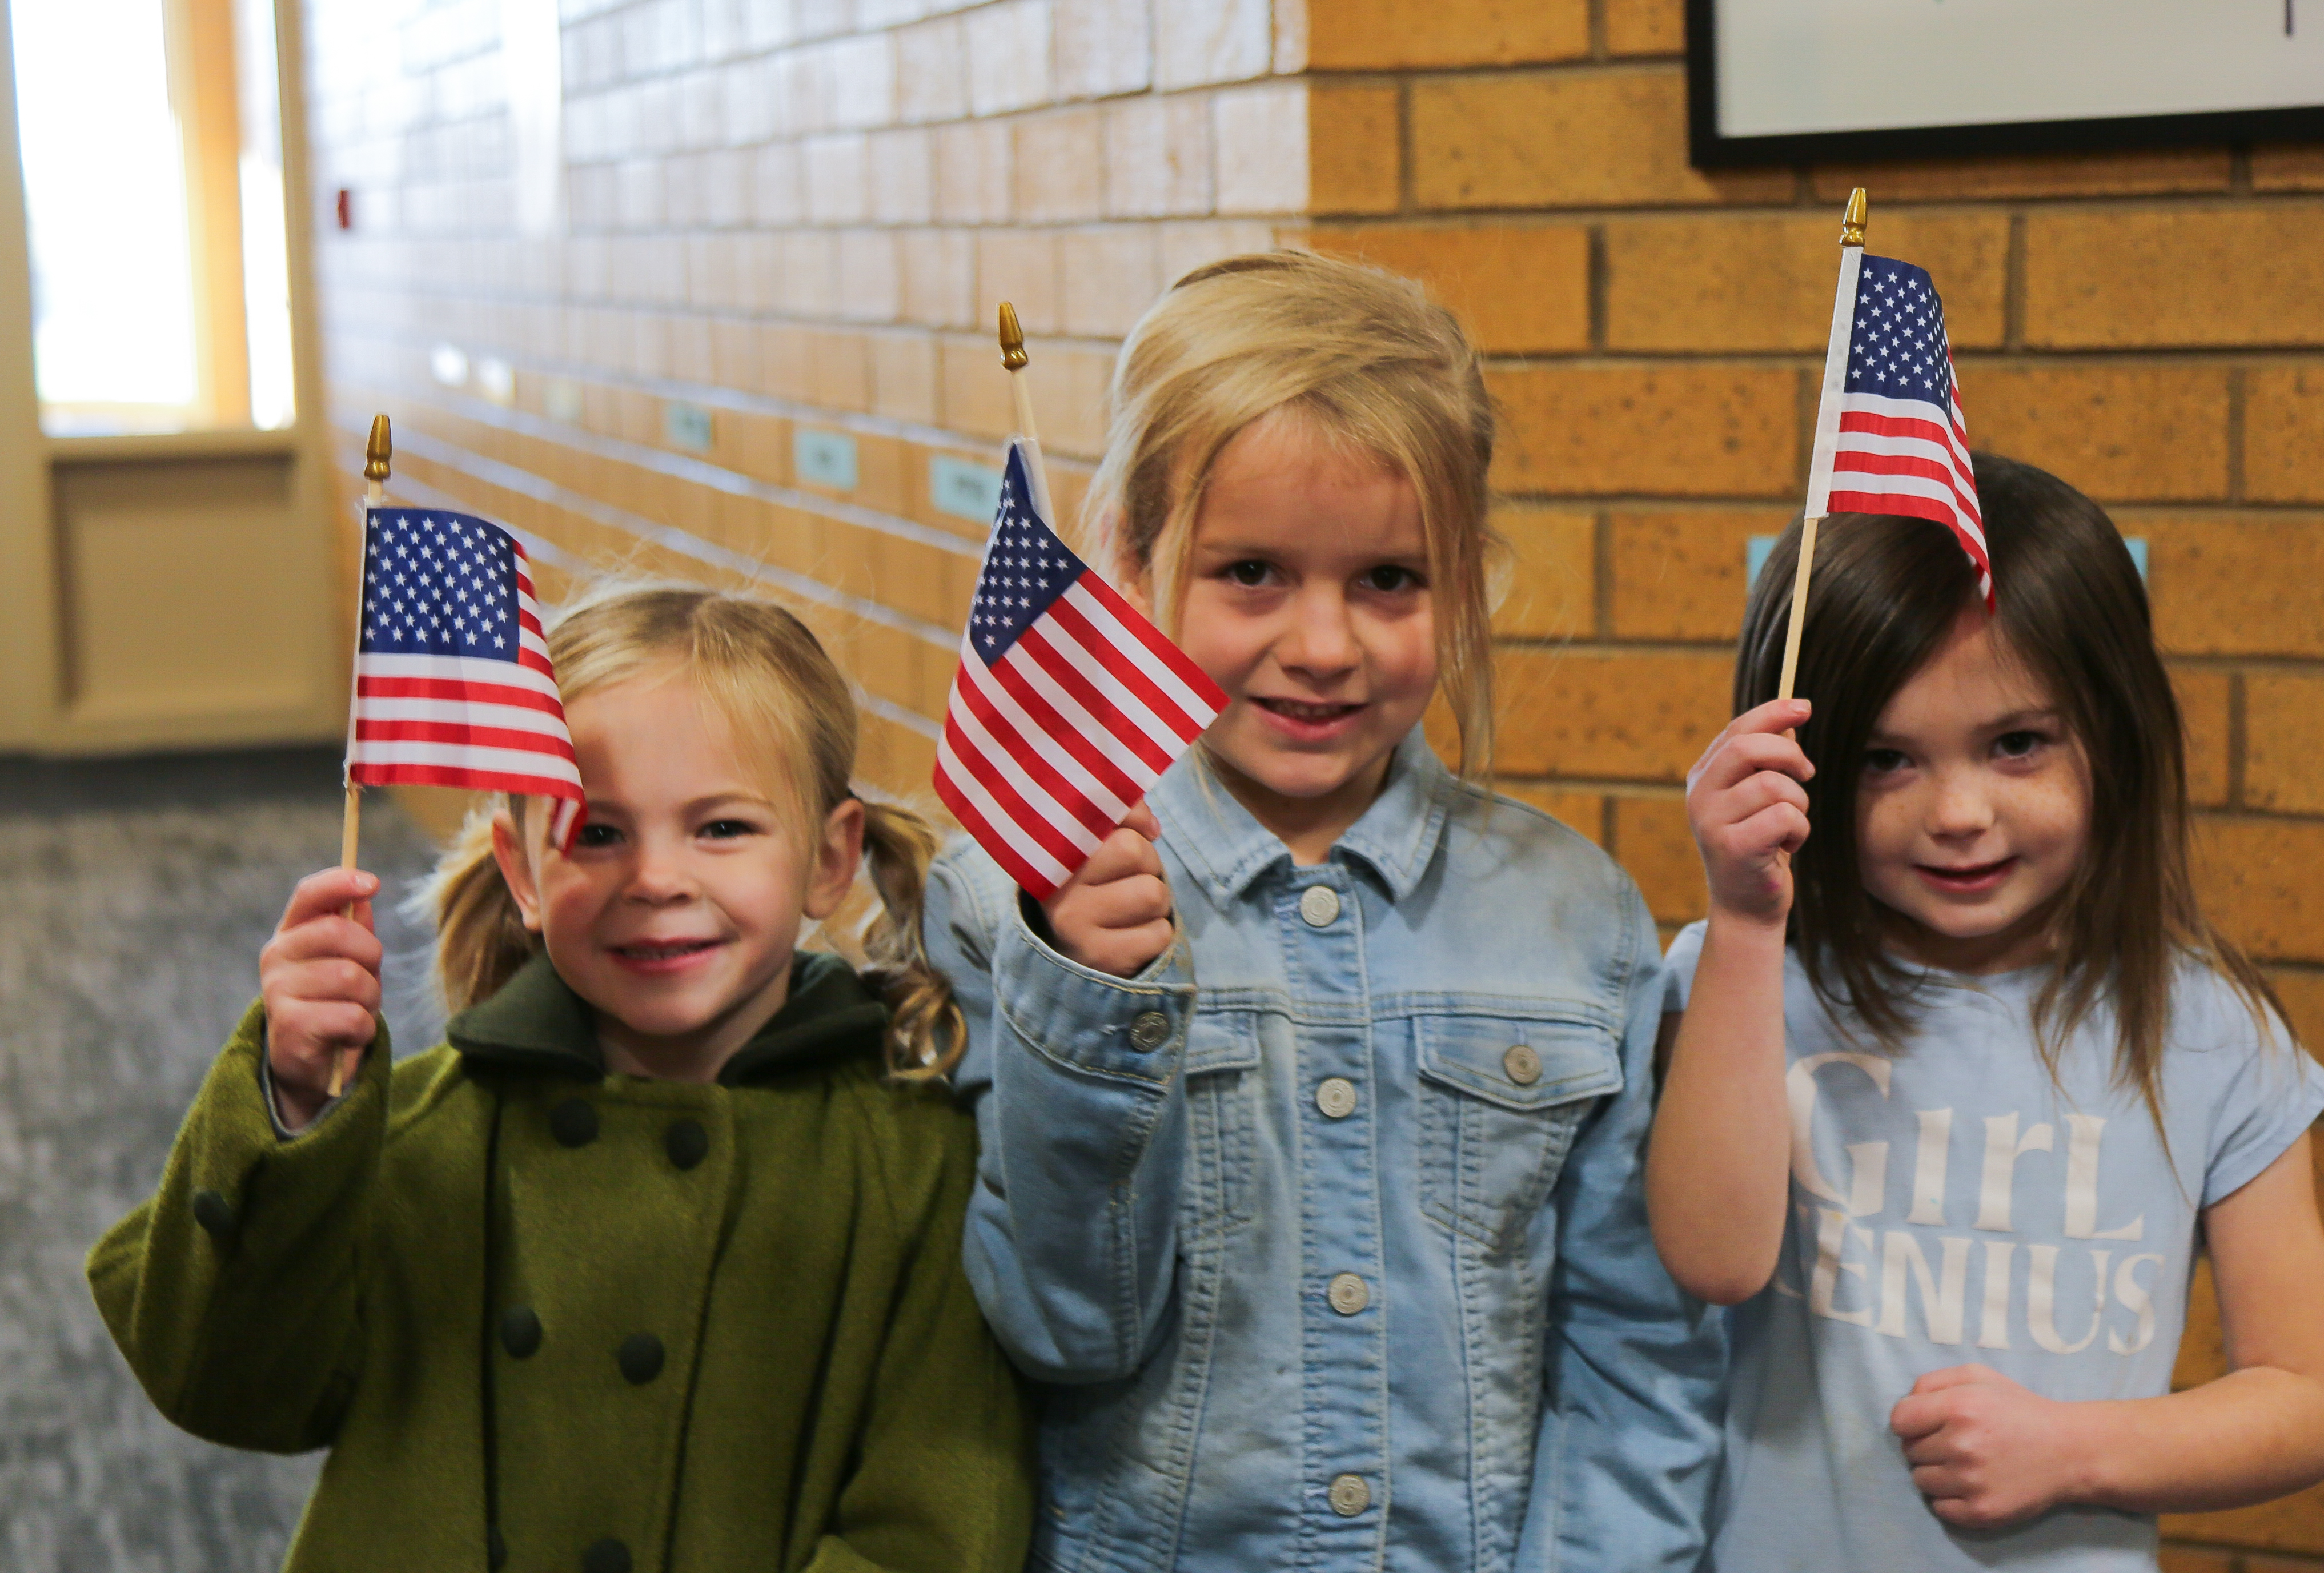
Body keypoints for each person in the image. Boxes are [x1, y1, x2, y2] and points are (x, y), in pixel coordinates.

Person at [926, 250, 1723, 1571]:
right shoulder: (1004, 903)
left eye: (1386, 582)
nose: (1323, 644)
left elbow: (1636, 1350)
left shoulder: (1575, 913)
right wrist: (1086, 996)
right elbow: (1065, 1327)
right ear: (1125, 556)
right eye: (1249, 572)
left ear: (1462, 578)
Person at [90, 583, 1034, 1573]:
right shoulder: (424, 1137)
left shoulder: (912, 1157)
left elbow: (938, 1515)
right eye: (598, 833)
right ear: (524, 870)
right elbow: (229, 1384)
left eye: (721, 829)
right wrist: (291, 1113)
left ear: (830, 858)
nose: (656, 879)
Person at [1648, 455, 2324, 1569]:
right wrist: (1739, 926)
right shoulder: (1740, 976)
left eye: (2015, 743)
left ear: (2111, 736)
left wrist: (2072, 1449)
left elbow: (2304, 1402)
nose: (1958, 813)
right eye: (1884, 760)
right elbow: (1710, 1261)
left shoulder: (2212, 1035)